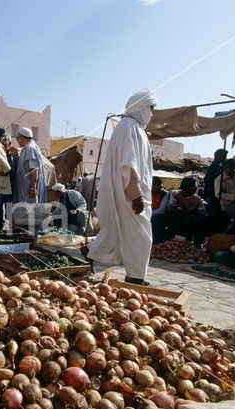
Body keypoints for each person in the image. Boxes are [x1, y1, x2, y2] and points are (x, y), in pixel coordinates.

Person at [85, 88, 157, 285]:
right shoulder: (129, 127)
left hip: (130, 193)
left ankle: (91, 252)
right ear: (142, 107)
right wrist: (136, 196)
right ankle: (135, 278)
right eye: (151, 108)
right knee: (141, 238)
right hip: (128, 194)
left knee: (119, 235)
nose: (152, 113)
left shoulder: (134, 128)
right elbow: (129, 166)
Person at [165, 177, 206, 246]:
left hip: (192, 220)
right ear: (185, 188)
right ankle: (171, 239)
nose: (195, 189)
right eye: (193, 187)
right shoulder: (175, 193)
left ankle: (196, 244)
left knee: (204, 221)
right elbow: (171, 207)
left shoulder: (197, 198)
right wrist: (187, 211)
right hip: (178, 219)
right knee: (175, 215)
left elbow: (202, 211)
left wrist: (194, 212)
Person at [13, 127, 46, 204]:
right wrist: (17, 156)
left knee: (30, 212)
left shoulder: (30, 148)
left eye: (17, 138)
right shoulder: (28, 148)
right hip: (25, 188)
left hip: (28, 189)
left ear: (23, 138)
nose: (17, 140)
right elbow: (24, 166)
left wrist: (32, 188)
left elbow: (34, 170)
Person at [204, 148, 228, 215]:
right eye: (224, 156)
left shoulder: (219, 167)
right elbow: (207, 180)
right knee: (212, 213)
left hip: (215, 195)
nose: (225, 158)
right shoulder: (213, 167)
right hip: (212, 195)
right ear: (218, 156)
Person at [151, 176, 170, 244]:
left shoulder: (165, 194)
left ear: (158, 185)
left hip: (160, 216)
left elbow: (161, 210)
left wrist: (149, 213)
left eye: (152, 185)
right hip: (151, 213)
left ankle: (156, 241)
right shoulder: (149, 192)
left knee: (154, 218)